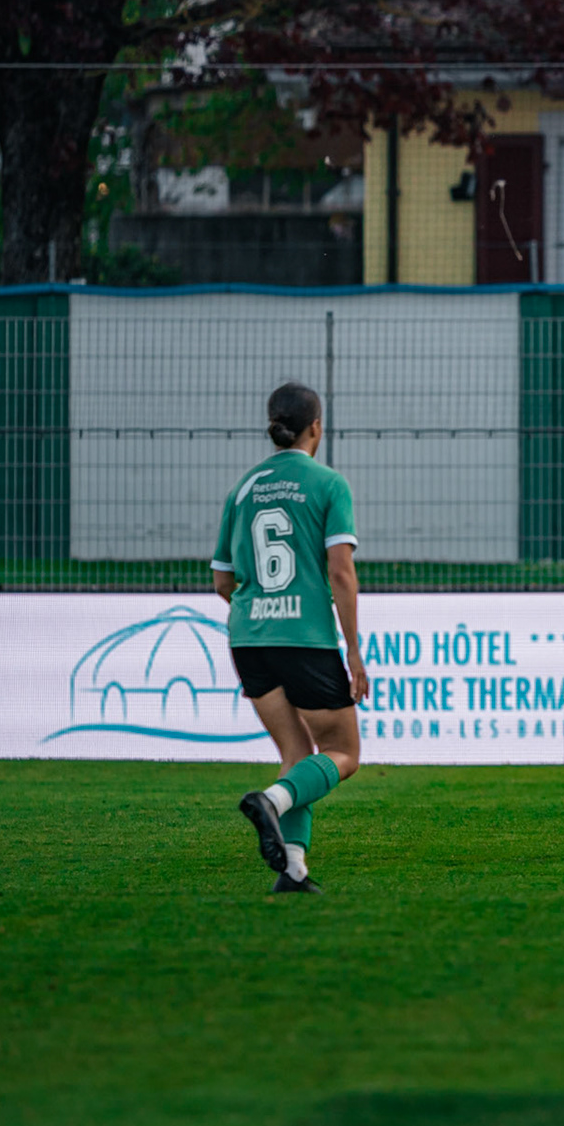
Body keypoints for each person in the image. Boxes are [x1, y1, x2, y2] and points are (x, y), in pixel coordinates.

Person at [212, 382, 369, 894]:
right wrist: (354, 652)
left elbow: (222, 581)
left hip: (248, 638)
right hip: (303, 636)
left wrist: (256, 612)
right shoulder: (327, 483)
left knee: (298, 754)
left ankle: (292, 871)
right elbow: (341, 575)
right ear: (316, 427)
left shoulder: (243, 486)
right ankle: (271, 802)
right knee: (343, 753)